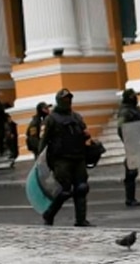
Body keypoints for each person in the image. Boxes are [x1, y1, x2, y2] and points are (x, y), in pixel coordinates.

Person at [39, 88, 93, 226]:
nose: (68, 101)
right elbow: (44, 140)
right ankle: (49, 214)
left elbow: (85, 133)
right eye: (65, 99)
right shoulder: (51, 119)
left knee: (81, 188)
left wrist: (87, 136)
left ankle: (81, 220)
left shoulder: (76, 117)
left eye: (69, 98)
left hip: (78, 157)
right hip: (61, 160)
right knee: (64, 191)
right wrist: (40, 161)